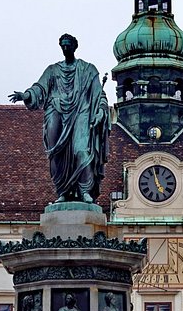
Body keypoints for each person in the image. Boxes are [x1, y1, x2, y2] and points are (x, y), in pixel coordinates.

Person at [9, 33, 110, 204]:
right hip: (55, 111)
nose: (65, 48)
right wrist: (25, 95)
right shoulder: (52, 70)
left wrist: (100, 110)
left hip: (81, 112)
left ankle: (85, 190)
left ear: (74, 46)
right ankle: (62, 191)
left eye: (68, 45)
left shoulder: (88, 69)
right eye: (62, 45)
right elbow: (39, 88)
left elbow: (99, 94)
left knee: (81, 150)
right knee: (56, 154)